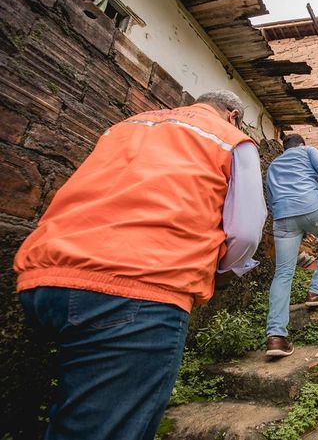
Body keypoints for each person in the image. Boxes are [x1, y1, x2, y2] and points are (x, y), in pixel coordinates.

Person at [13, 90, 267, 440]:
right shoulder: (232, 139)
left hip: (45, 278)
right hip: (138, 288)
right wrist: (222, 275)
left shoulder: (127, 125)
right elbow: (246, 231)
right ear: (234, 115)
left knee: (73, 415)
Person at [265, 134, 318, 357]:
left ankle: (275, 337)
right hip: (312, 208)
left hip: (282, 217)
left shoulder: (274, 164)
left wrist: (291, 227)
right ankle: (315, 291)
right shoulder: (308, 151)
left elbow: (271, 197)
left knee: (283, 273)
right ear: (301, 144)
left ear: (284, 149)